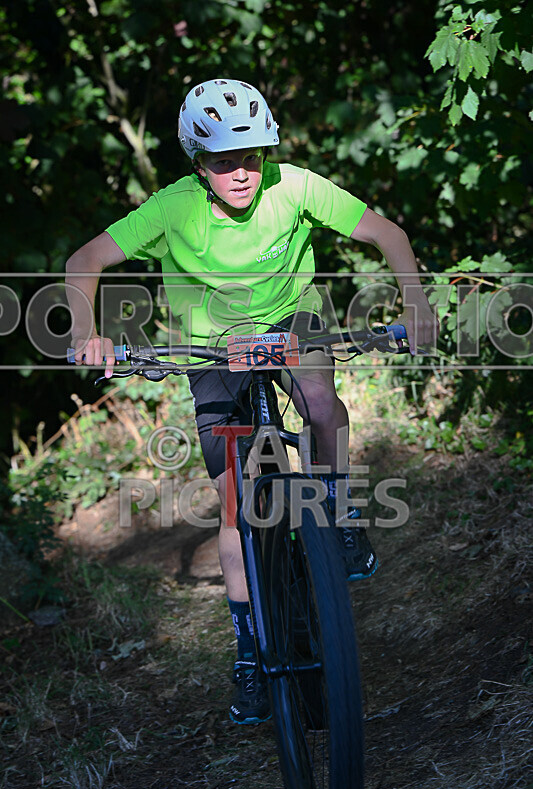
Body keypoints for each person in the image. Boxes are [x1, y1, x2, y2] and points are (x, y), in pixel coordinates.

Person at [66, 78, 438, 725]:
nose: (240, 173)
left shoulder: (291, 186)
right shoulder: (173, 208)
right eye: (222, 161)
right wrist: (84, 333)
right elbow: (84, 261)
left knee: (319, 395)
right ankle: (248, 656)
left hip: (289, 319)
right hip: (209, 347)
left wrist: (417, 302)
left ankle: (341, 512)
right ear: (196, 163)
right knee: (236, 509)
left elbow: (387, 233)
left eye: (251, 157)